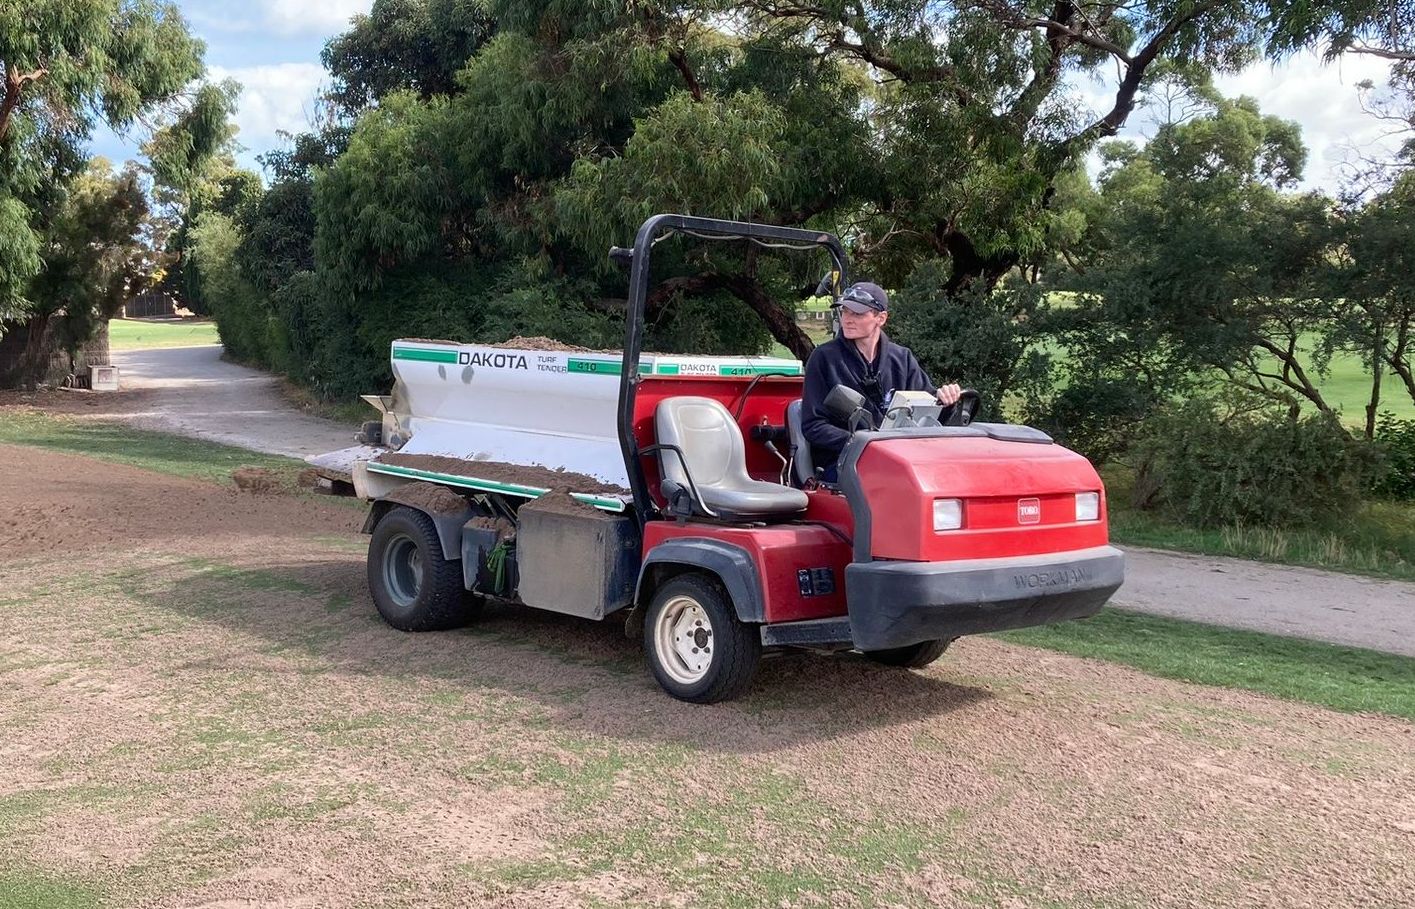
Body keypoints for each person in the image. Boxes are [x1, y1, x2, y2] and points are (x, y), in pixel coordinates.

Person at [800, 281, 962, 482]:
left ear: (881, 318)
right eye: (845, 312)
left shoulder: (902, 358)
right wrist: (863, 442)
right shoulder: (824, 358)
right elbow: (813, 426)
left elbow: (926, 412)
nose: (847, 320)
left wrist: (947, 403)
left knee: (946, 477)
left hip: (899, 460)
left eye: (857, 314)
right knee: (892, 483)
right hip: (843, 462)